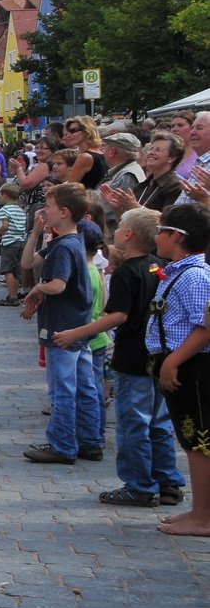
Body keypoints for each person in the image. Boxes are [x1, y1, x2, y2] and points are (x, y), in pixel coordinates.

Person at [55, 209, 186, 507]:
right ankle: (169, 481)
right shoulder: (160, 266)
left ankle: (139, 485)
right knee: (159, 422)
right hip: (159, 356)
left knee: (133, 423)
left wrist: (77, 332)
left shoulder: (128, 270)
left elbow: (118, 316)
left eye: (121, 226)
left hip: (132, 358)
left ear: (128, 234)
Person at [20, 182, 98, 464]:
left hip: (61, 326)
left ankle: (63, 445)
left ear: (64, 212)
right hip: (77, 323)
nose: (44, 211)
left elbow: (57, 285)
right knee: (85, 385)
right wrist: (36, 234)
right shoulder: (68, 241)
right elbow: (28, 263)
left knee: (62, 388)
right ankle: (90, 440)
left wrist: (37, 289)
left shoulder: (64, 247)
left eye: (49, 207)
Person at [147, 202, 210, 534]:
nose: (156, 237)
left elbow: (205, 326)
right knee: (189, 441)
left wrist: (173, 360)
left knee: (200, 442)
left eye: (161, 231)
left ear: (176, 236)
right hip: (181, 364)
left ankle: (204, 517)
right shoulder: (178, 271)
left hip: (193, 367)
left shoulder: (194, 277)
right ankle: (199, 510)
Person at [0, 183, 28, 306]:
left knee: (7, 270)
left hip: (9, 242)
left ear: (5, 195)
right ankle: (15, 293)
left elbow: (5, 226)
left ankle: (12, 296)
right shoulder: (20, 210)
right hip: (20, 241)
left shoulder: (4, 210)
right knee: (17, 269)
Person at [60, 119, 107, 188]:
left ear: (86, 131)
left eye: (73, 131)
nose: (69, 135)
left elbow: (70, 188)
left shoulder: (85, 157)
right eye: (69, 131)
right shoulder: (101, 153)